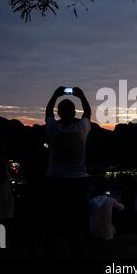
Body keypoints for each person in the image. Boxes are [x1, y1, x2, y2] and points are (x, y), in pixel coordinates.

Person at [44, 86, 92, 257]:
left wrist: (55, 94)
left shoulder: (53, 129)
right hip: (78, 182)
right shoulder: (81, 128)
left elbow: (48, 112)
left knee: (53, 222)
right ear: (73, 113)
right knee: (77, 224)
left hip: (55, 180)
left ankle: (51, 254)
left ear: (59, 113)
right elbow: (88, 112)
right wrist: (82, 95)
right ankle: (77, 255)